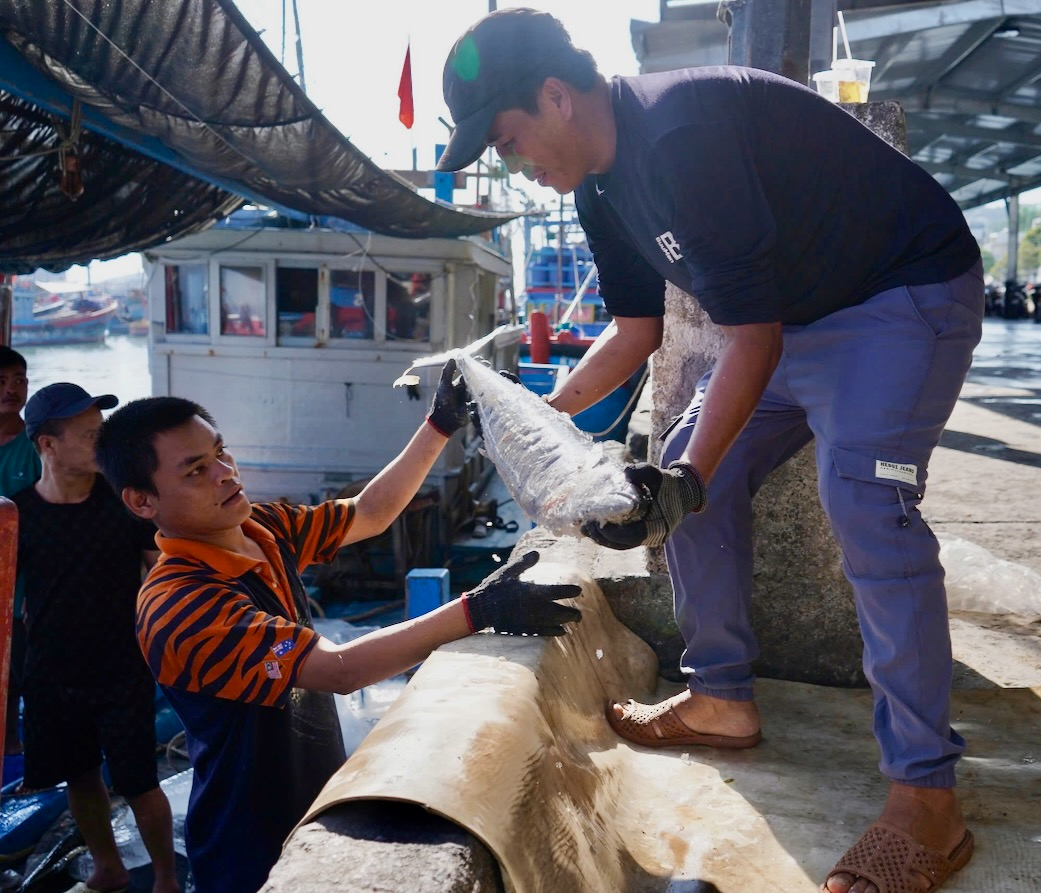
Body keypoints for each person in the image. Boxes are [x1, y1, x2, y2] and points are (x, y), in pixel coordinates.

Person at [436, 10, 984, 893]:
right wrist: (523, 411)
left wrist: (685, 482)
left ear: (554, 97)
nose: (516, 165)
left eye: (509, 141)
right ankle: (722, 697)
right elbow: (636, 333)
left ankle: (927, 799)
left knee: (863, 505)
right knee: (687, 472)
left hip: (902, 293)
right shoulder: (598, 188)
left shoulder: (681, 135)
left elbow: (750, 341)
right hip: (798, 321)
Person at [94, 359, 582, 893]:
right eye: (195, 471)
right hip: (247, 841)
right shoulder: (179, 606)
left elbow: (369, 513)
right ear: (142, 501)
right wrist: (478, 611)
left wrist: (439, 424)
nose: (224, 473)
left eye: (220, 453)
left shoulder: (261, 529)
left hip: (315, 797)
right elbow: (338, 669)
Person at [12, 382, 179, 893]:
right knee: (79, 776)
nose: (100, 443)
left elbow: (162, 569)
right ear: (47, 445)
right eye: (88, 435)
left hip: (120, 666)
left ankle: (167, 882)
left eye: (100, 432)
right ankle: (109, 871)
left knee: (139, 781)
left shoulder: (122, 501)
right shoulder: (15, 515)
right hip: (51, 671)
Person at [0, 346, 39, 758]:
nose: (12, 389)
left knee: (14, 676)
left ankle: (13, 751)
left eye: (18, 380)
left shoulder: (34, 449)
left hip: (21, 588)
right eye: (1, 381)